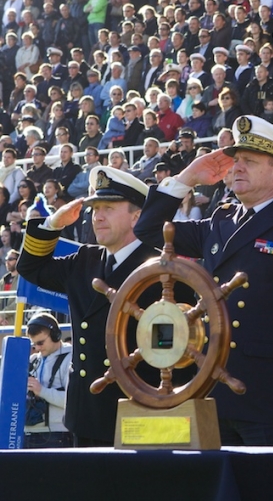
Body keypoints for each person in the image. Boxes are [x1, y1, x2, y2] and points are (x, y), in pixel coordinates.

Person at [133, 115, 273, 447]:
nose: (237, 167)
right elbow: (147, 230)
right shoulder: (219, 220)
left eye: (249, 161)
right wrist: (187, 178)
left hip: (270, 395)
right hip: (210, 389)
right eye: (236, 160)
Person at [16, 166, 188, 446]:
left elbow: (175, 354)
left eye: (108, 207)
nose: (98, 216)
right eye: (95, 208)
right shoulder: (85, 260)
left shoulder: (161, 269)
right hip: (85, 413)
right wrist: (52, 225)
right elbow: (31, 268)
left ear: (137, 216)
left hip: (137, 413)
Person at [24, 312, 72, 449]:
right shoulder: (33, 360)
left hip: (58, 434)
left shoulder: (71, 358)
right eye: (34, 345)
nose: (37, 348)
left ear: (55, 335)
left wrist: (41, 391)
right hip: (29, 431)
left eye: (40, 343)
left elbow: (73, 401)